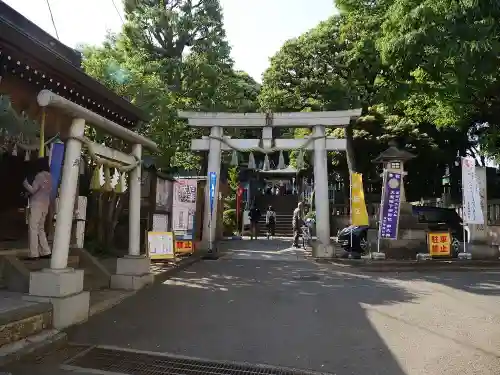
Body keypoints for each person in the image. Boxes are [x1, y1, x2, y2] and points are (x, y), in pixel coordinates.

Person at [23, 157, 53, 259]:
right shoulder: (50, 176)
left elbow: (33, 190)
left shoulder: (39, 176)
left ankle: (33, 254)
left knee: (33, 228)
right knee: (41, 228)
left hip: (36, 204)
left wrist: (25, 183)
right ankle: (46, 251)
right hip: (46, 204)